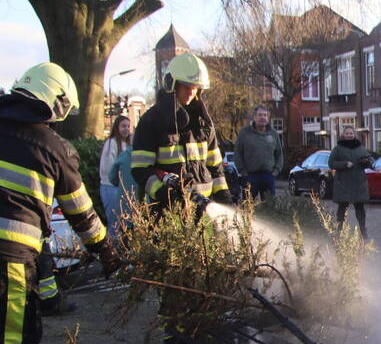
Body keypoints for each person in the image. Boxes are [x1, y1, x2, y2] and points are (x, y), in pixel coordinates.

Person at [0, 62, 121, 344]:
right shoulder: (52, 147)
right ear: (55, 103)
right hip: (10, 262)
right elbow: (82, 214)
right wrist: (107, 252)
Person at [131, 52, 232, 211]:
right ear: (172, 84)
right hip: (167, 212)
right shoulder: (151, 121)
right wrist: (163, 192)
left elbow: (215, 164)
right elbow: (140, 169)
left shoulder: (204, 123)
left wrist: (223, 195)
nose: (191, 92)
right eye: (186, 86)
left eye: (195, 87)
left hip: (203, 209)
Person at [329, 126, 372, 239]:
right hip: (343, 183)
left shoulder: (361, 148)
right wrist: (344, 164)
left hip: (358, 183)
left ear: (354, 135)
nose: (349, 135)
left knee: (360, 208)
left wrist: (366, 162)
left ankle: (363, 231)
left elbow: (370, 160)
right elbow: (331, 163)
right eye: (347, 133)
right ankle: (339, 230)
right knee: (342, 209)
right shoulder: (338, 148)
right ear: (343, 135)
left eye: (351, 133)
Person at [234, 104, 283, 202]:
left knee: (270, 207)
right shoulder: (245, 133)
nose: (263, 117)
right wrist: (243, 172)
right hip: (250, 176)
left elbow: (279, 154)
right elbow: (238, 153)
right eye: (260, 115)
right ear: (254, 117)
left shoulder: (273, 134)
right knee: (248, 206)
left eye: (265, 115)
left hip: (268, 176)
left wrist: (275, 171)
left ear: (268, 118)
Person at [99, 114, 132, 237]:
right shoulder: (111, 143)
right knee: (114, 224)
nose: (126, 129)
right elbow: (107, 169)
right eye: (123, 126)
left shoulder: (128, 144)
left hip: (123, 189)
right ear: (116, 127)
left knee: (124, 223)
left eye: (128, 126)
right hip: (110, 187)